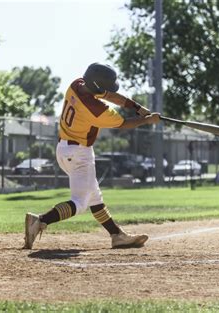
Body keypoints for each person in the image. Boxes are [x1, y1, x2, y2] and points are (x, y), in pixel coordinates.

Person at [24, 62, 160, 249]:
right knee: (80, 202)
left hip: (64, 149)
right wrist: (148, 120)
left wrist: (136, 106)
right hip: (79, 154)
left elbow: (110, 95)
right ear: (97, 85)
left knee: (94, 196)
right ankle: (40, 220)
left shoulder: (77, 84)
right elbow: (123, 124)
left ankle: (117, 235)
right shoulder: (95, 109)